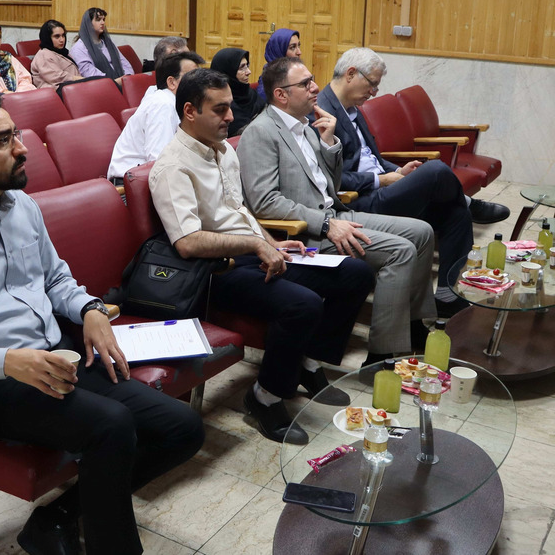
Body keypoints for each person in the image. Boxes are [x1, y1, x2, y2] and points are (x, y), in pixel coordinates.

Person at [0, 91, 203, 555]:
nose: (22, 148)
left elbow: (56, 279)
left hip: (57, 358)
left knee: (182, 427)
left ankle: (56, 518)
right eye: (3, 141)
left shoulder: (21, 206)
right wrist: (8, 361)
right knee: (112, 426)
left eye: (16, 134)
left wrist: (90, 309)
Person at [150, 68, 374, 443]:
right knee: (301, 305)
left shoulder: (223, 151)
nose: (230, 116)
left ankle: (304, 361)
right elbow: (187, 242)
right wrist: (255, 245)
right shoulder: (173, 167)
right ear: (189, 111)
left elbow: (240, 211)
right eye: (219, 109)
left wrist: (271, 241)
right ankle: (264, 398)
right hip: (212, 274)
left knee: (354, 274)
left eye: (229, 107)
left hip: (250, 252)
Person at [237, 57, 438, 365]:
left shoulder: (306, 126)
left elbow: (330, 185)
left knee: (422, 232)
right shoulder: (260, 132)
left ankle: (412, 323)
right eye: (305, 84)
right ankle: (382, 354)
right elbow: (265, 202)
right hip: (307, 231)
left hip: (335, 212)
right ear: (281, 94)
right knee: (400, 251)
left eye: (311, 80)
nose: (315, 87)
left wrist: (329, 142)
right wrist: (327, 225)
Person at [317, 48, 509, 317]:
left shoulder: (352, 108)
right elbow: (331, 178)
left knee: (456, 214)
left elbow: (373, 157)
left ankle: (447, 295)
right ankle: (469, 201)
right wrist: (381, 179)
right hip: (359, 202)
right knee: (436, 170)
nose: (374, 92)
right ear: (350, 74)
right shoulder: (322, 113)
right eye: (372, 84)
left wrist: (398, 170)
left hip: (383, 187)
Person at [106, 51, 204, 182]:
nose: (199, 83)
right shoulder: (162, 105)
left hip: (154, 177)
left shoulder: (179, 103)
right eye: (192, 77)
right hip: (130, 183)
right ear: (172, 82)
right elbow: (160, 162)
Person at [210, 48, 265, 137]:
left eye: (247, 65)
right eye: (241, 68)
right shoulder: (219, 106)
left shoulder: (252, 95)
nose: (248, 72)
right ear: (227, 71)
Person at [69, 7, 134, 81]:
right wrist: (114, 81)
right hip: (102, 85)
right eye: (98, 20)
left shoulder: (108, 43)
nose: (103, 23)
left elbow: (124, 63)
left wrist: (127, 76)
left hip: (121, 81)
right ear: (88, 23)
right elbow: (89, 73)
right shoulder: (78, 48)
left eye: (103, 19)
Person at [31, 19, 83, 89]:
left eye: (63, 35)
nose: (62, 40)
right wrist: (80, 79)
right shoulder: (44, 54)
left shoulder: (62, 52)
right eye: (57, 36)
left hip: (71, 87)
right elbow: (57, 77)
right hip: (56, 91)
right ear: (47, 38)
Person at [254, 28, 300, 100]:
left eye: (298, 46)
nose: (299, 52)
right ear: (278, 50)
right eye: (292, 47)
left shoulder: (298, 72)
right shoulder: (269, 78)